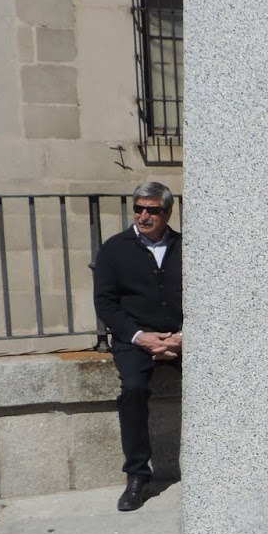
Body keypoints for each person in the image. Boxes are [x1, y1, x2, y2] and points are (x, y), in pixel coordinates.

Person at [93, 181, 183, 511]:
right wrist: (139, 336)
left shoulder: (185, 247)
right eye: (139, 208)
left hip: (180, 337)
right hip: (134, 339)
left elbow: (208, 297)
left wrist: (182, 336)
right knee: (132, 389)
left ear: (167, 213)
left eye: (152, 210)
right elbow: (105, 302)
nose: (144, 216)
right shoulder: (114, 249)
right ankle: (137, 477)